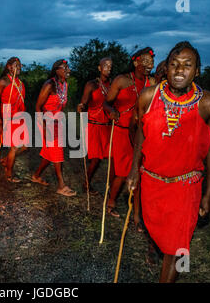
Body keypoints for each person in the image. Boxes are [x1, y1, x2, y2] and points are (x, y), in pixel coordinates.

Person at [127, 41, 210, 282]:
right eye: (174, 64)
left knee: (177, 247)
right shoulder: (148, 96)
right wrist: (134, 170)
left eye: (187, 65)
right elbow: (140, 131)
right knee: (157, 235)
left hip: (185, 186)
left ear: (197, 71)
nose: (179, 70)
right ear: (166, 67)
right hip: (152, 183)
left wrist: (208, 193)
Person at [105, 47, 155, 222]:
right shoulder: (121, 80)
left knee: (141, 171)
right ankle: (111, 203)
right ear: (136, 62)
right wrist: (112, 111)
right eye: (145, 61)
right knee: (123, 171)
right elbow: (107, 104)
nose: (149, 64)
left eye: (151, 61)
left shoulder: (153, 83)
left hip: (143, 134)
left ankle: (137, 211)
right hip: (122, 132)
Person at [30, 59, 76, 196]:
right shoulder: (49, 84)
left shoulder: (64, 85)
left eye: (68, 67)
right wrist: (43, 127)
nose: (68, 70)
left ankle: (36, 176)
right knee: (57, 151)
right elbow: (38, 106)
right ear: (57, 70)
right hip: (46, 122)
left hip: (57, 122)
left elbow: (61, 105)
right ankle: (61, 185)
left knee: (50, 153)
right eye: (65, 68)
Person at [77, 57, 119, 195]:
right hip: (94, 126)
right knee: (96, 159)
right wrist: (81, 107)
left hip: (108, 126)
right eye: (105, 66)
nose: (109, 68)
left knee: (113, 157)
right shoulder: (92, 84)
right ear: (99, 68)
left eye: (110, 66)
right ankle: (86, 183)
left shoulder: (114, 84)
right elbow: (84, 103)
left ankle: (112, 187)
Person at [0, 57, 28, 182]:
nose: (18, 67)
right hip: (9, 117)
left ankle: (6, 160)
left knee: (24, 147)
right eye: (15, 65)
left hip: (20, 117)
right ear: (9, 67)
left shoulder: (20, 83)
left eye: (20, 65)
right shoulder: (3, 82)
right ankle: (9, 174)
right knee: (14, 147)